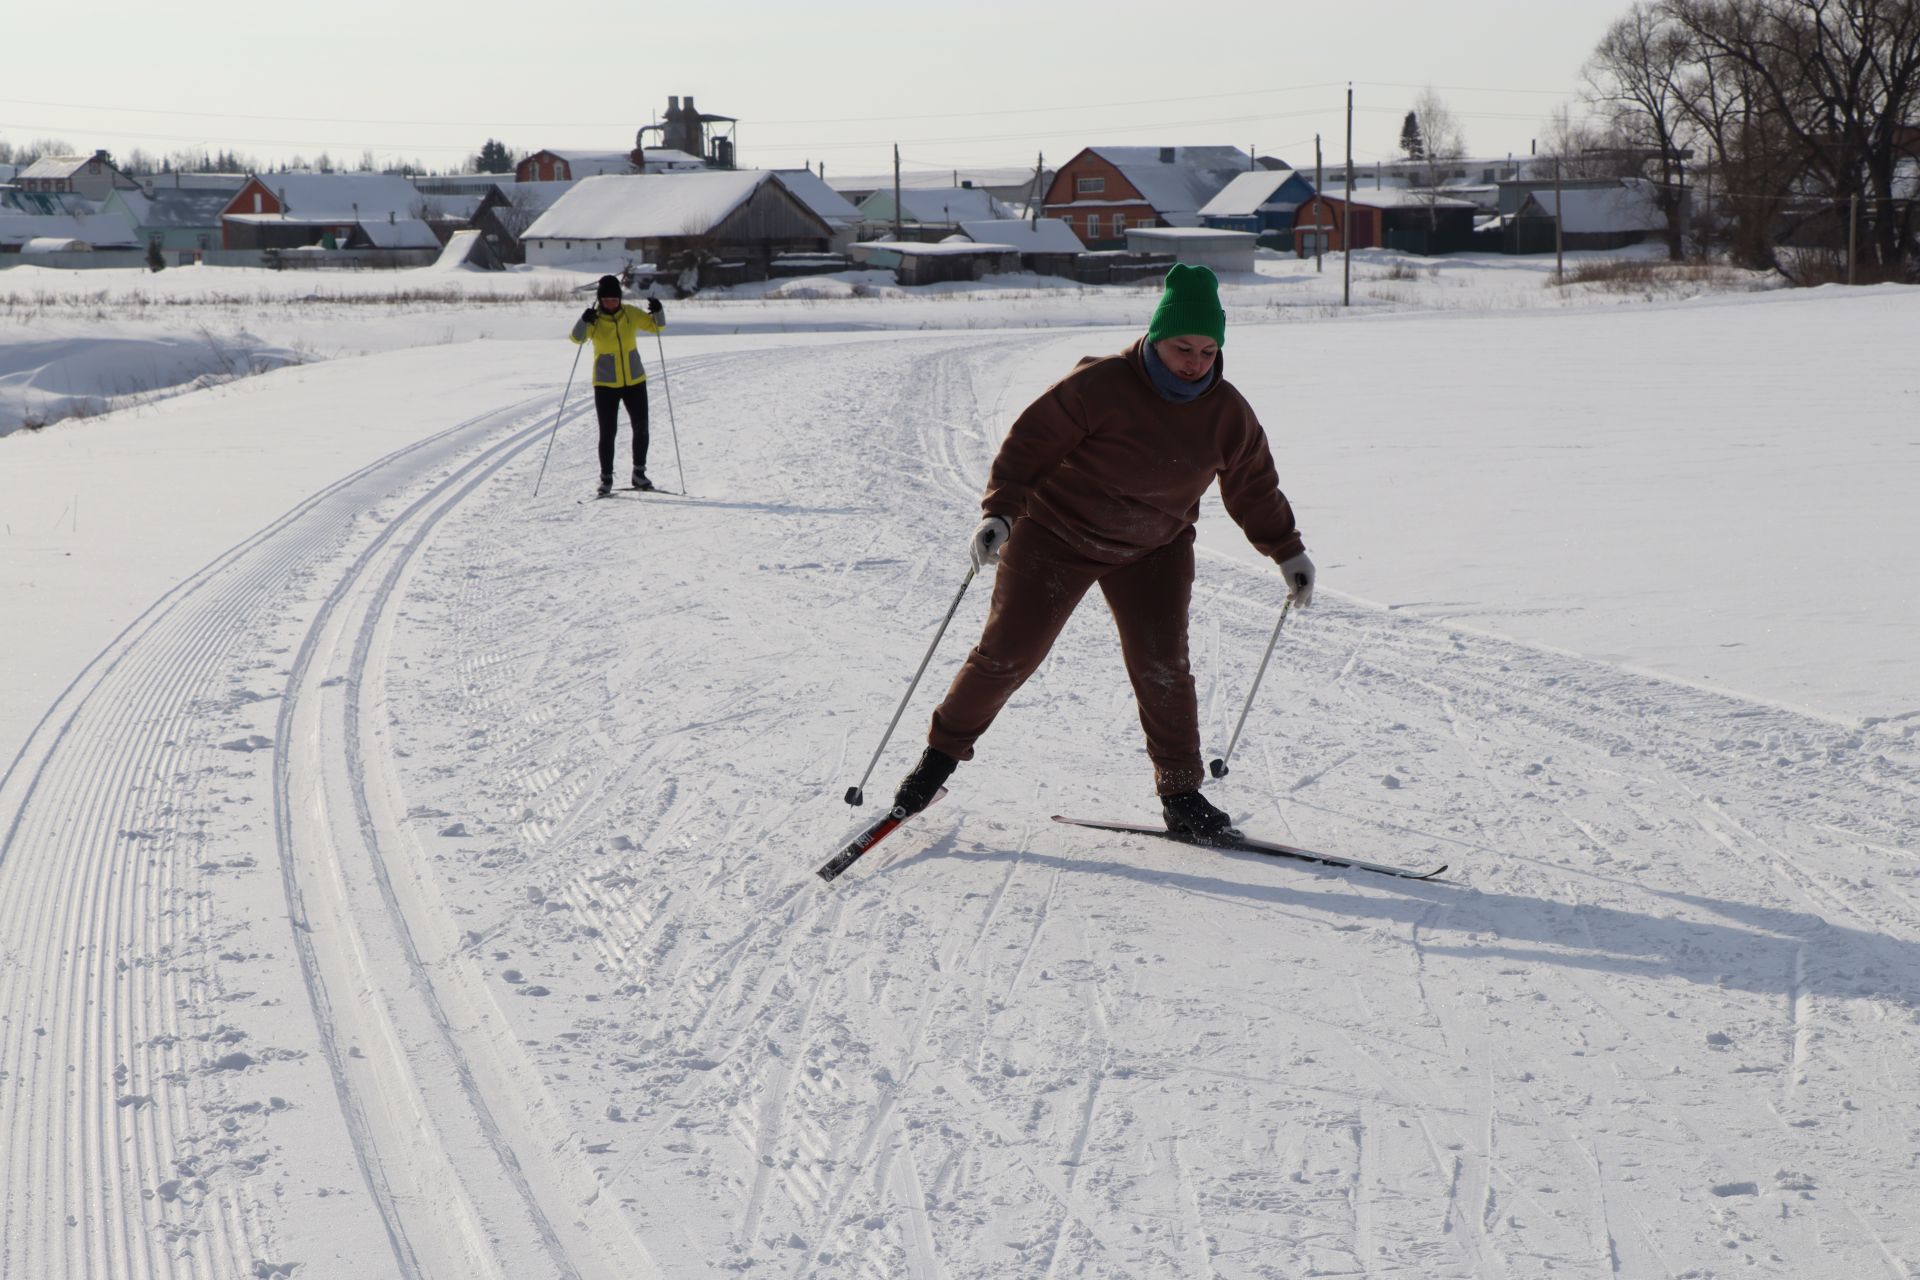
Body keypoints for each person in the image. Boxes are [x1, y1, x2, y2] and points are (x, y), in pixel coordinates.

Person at [889, 264, 1315, 839]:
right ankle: (934, 765)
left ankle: (1181, 794)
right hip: (1054, 536)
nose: (1194, 362)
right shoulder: (1100, 384)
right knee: (1008, 655)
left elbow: (1253, 487)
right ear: (1156, 338)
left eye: (1208, 351)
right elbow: (1027, 447)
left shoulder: (1227, 414)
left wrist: (1286, 551)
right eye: (1182, 347)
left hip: (1154, 548)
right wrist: (999, 512)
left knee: (1164, 666)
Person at [570, 274, 666, 497]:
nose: (611, 303)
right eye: (606, 300)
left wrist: (658, 310)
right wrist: (584, 320)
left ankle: (639, 475)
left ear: (620, 298)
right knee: (608, 433)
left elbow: (657, 327)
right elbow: (576, 338)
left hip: (635, 380)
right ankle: (606, 479)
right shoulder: (594, 319)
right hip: (605, 384)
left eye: (615, 299)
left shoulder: (631, 314)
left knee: (641, 428)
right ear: (600, 300)